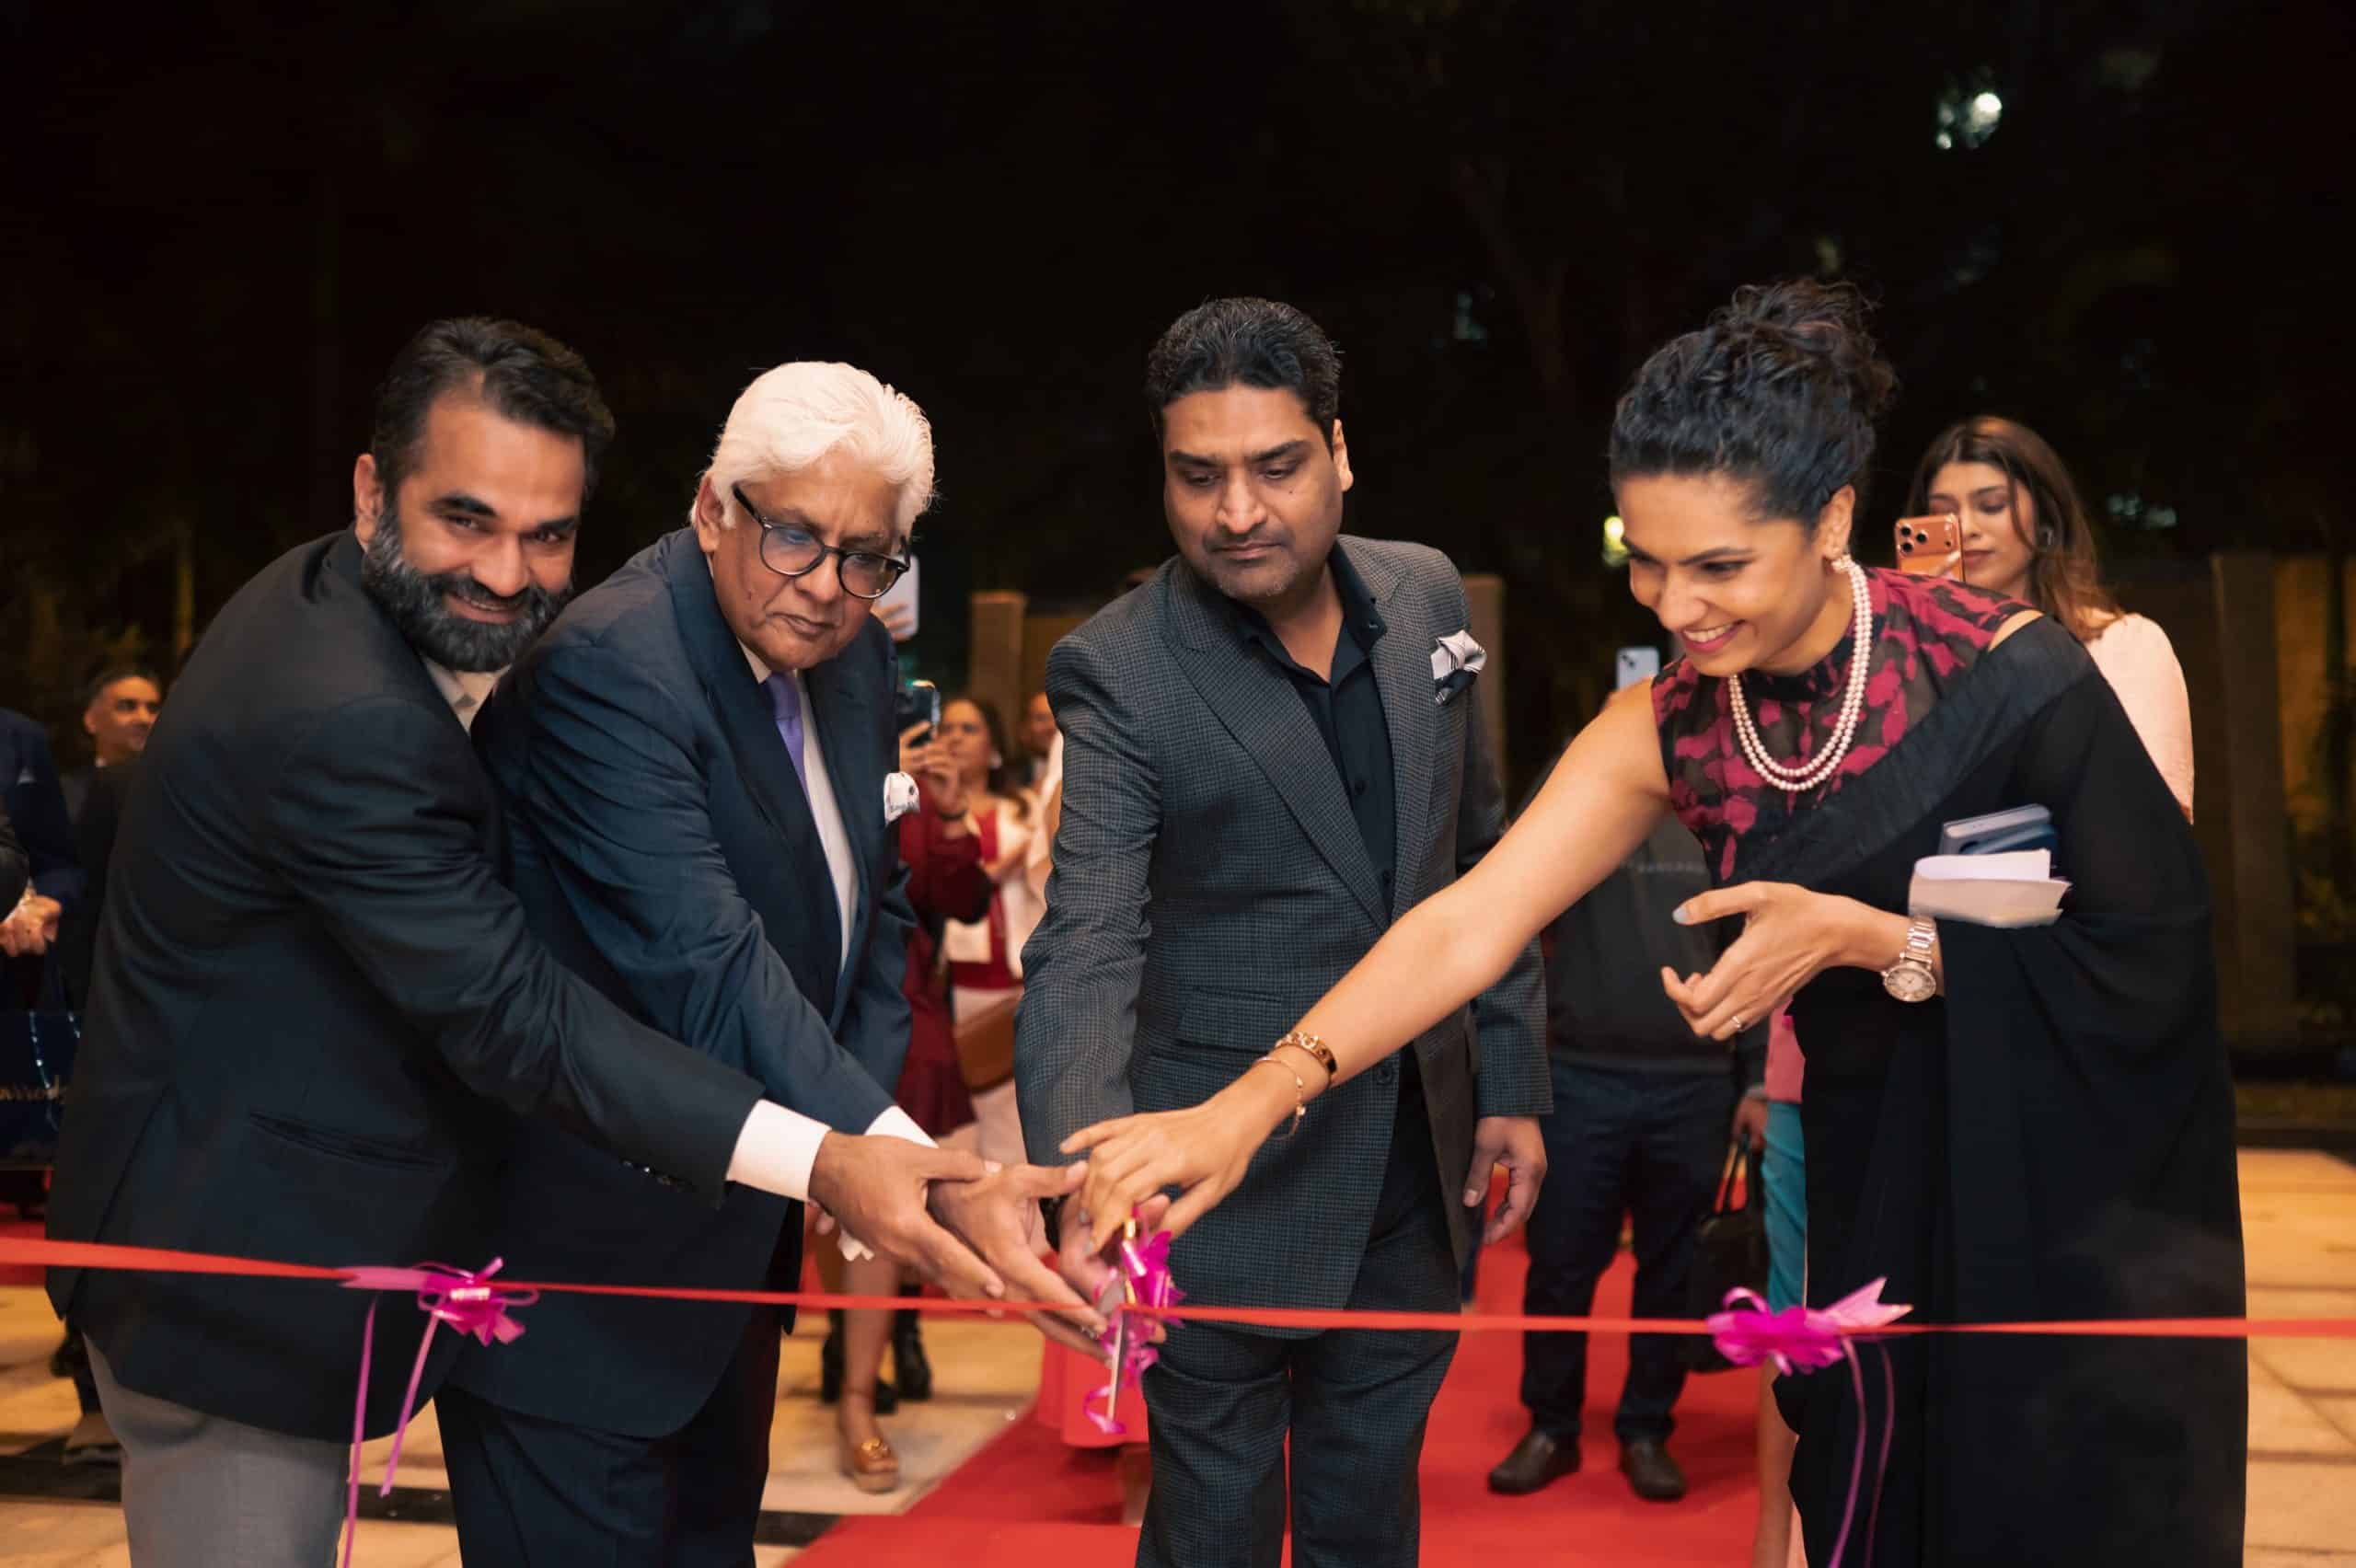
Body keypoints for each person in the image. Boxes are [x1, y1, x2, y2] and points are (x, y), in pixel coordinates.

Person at [1066, 281, 2246, 1566]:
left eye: (1720, 566)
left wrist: (1866, 940)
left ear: (1832, 519)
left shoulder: (2013, 673)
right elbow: (1466, 923)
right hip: (1870, 1178)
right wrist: (1249, 1104)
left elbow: (2152, 960)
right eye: (1647, 559)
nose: (1677, 607)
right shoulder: (1672, 724)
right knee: (1879, 1500)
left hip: (2067, 1193)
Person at [43, 318, 1011, 1568]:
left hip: (353, 1233)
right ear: (371, 492)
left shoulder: (371, 613)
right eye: (467, 520)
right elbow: (520, 1014)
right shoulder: (347, 710)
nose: (507, 573)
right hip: (232, 1263)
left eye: (546, 534)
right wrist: (831, 1158)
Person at [434, 361, 1100, 1559]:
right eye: (794, 536)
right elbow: (708, 962)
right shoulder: (613, 666)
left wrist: (876, 1144)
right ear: (712, 508)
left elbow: (878, 913)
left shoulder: (852, 658)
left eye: (867, 557)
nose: (827, 586)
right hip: (579, 1281)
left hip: (733, 1267)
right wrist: (903, 1164)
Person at [1019, 296, 1551, 1568]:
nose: (1237, 512)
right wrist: (1086, 1183)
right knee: (1212, 1534)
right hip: (1216, 1189)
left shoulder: (1425, 595)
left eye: (1275, 467)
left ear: (1340, 452)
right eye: (1198, 476)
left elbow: (1478, 859)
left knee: (1371, 1526)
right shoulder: (1118, 670)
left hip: (1415, 1164)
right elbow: (1087, 938)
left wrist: (1508, 1077)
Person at [1486, 746, 1767, 1505]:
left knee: (1672, 1268)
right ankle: (1551, 1427)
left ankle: (1647, 1429)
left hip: (1697, 1081)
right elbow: (1508, 909)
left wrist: (1757, 1080)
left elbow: (1756, 947)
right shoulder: (1581, 788)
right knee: (1560, 1262)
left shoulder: (1731, 803)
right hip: (1581, 1074)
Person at [813, 714, 995, 1490]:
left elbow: (960, 899)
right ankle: (847, 1349)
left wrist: (945, 813)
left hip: (895, 1018)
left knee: (881, 1215)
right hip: (782, 1001)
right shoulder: (793, 759)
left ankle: (859, 1395)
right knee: (802, 1209)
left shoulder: (908, 789)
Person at [1910, 415, 2194, 817]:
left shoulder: (2124, 647)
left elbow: (2157, 824)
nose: (1966, 527)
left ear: (2045, 520)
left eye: (1991, 506)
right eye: (1943, 512)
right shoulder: (1908, 667)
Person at [940, 694, 1043, 1172]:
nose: (955, 738)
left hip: (1022, 977)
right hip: (956, 981)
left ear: (993, 745)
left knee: (1015, 1116)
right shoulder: (929, 810)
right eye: (947, 728)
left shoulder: (1025, 806)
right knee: (962, 1119)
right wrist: (998, 869)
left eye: (969, 729)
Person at [61, 668, 163, 821]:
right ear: (91, 720)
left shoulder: (173, 787)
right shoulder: (66, 794)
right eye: (127, 706)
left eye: (152, 709)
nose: (144, 719)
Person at [1019, 689, 1057, 786]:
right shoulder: (1009, 778)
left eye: (1057, 718)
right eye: (1042, 718)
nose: (1052, 727)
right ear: (1024, 729)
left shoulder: (1082, 772)